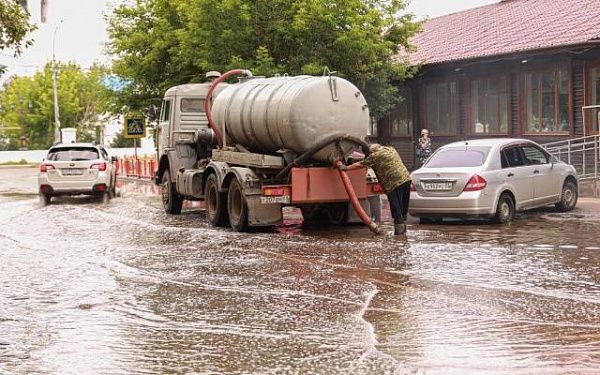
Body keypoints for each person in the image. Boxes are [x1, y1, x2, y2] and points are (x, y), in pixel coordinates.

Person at [338, 144, 411, 235]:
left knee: (397, 209)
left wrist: (346, 168)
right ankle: (403, 235)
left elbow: (360, 164)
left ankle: (399, 236)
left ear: (372, 152)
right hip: (406, 180)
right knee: (403, 209)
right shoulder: (391, 149)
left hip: (394, 184)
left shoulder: (375, 156)